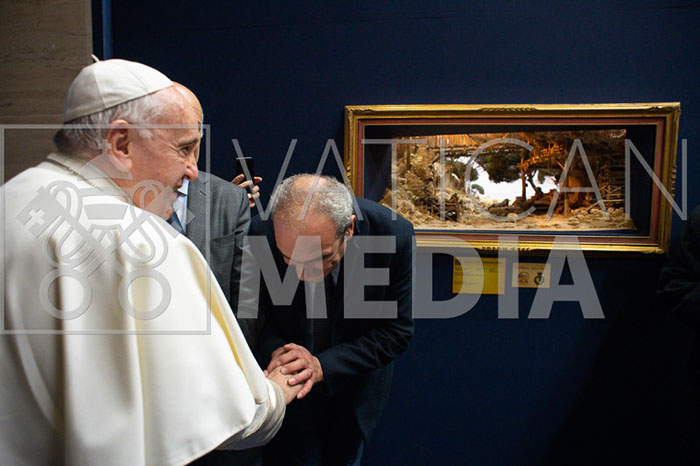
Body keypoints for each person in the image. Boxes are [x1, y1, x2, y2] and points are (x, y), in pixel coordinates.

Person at [0, 58, 302, 465]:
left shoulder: (9, 199)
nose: (193, 172)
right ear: (121, 144)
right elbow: (240, 416)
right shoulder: (144, 243)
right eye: (183, 149)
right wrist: (276, 392)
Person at [241, 174, 415, 465]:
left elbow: (395, 331)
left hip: (353, 391)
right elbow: (256, 319)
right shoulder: (261, 232)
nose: (302, 274)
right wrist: (280, 353)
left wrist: (321, 365)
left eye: (319, 257)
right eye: (288, 259)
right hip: (287, 391)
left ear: (349, 228)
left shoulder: (392, 234)